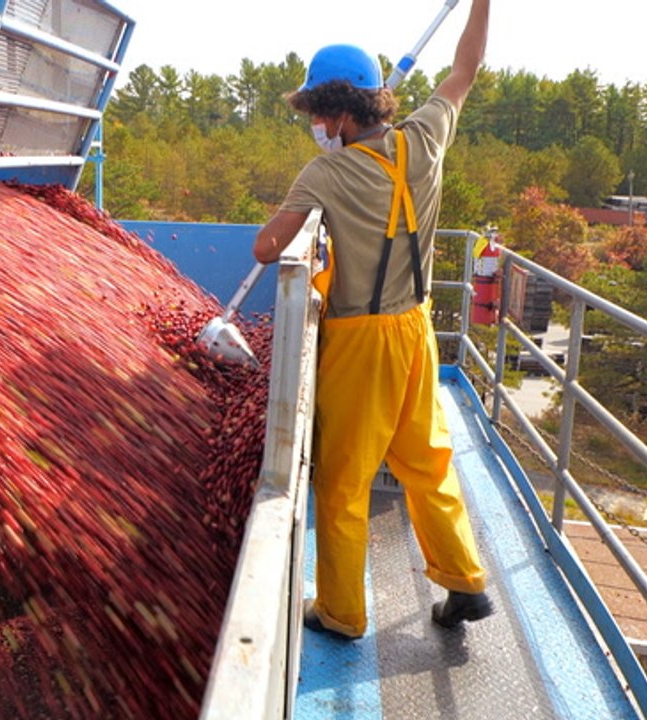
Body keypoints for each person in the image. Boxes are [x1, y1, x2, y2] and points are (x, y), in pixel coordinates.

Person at [253, 0, 493, 640]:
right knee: (427, 460)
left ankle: (340, 611)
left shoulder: (324, 172)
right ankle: (465, 581)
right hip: (417, 329)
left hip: (359, 340)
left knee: (343, 481)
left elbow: (265, 249)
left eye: (315, 115)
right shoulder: (425, 138)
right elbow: (465, 68)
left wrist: (307, 208)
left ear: (335, 112)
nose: (314, 126)